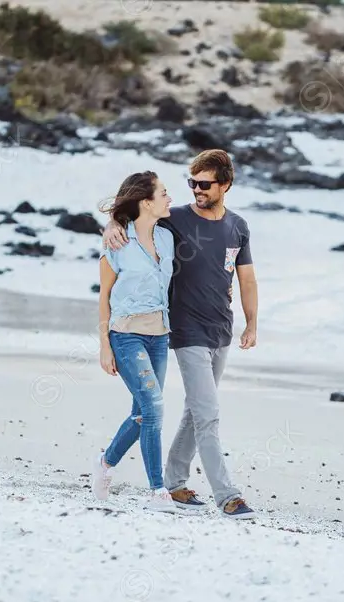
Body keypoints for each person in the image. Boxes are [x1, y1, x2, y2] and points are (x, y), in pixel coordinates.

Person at [103, 150, 259, 520]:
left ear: (225, 185)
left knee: (196, 410)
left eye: (204, 184)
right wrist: (112, 223)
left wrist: (251, 323)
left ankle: (174, 480)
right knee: (208, 414)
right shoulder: (177, 220)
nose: (196, 190)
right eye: (192, 183)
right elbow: (135, 214)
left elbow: (246, 277)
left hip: (222, 328)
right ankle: (227, 496)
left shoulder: (238, 226)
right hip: (186, 330)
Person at [92, 171, 179, 514]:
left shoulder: (167, 237)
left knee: (143, 413)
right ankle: (158, 491)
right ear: (147, 202)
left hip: (160, 335)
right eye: (164, 193)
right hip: (125, 334)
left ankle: (105, 463)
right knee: (154, 408)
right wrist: (104, 345)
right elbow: (104, 297)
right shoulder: (117, 243)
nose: (169, 198)